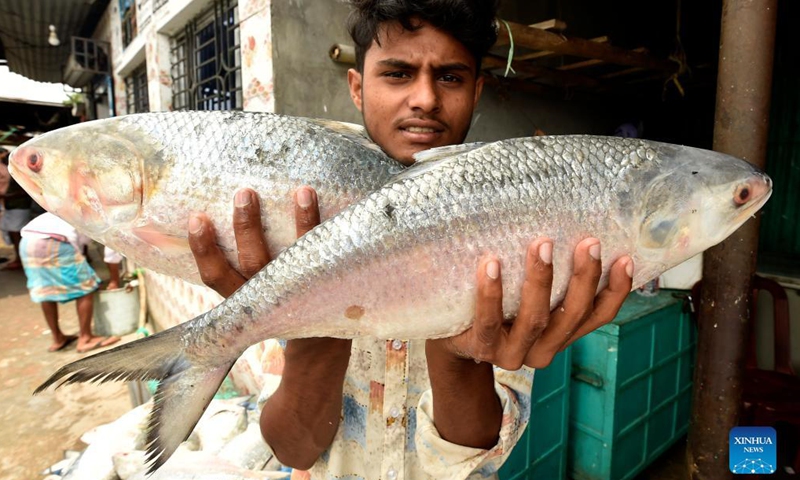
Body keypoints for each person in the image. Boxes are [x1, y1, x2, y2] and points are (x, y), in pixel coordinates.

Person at [188, 1, 634, 479]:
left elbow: (468, 461)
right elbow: (294, 449)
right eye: (398, 74)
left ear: (476, 91)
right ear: (357, 88)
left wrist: (461, 353)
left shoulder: (514, 230)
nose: (424, 97)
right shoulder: (301, 221)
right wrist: (310, 324)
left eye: (449, 77)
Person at [19, 212, 121, 353]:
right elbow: (112, 251)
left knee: (45, 289)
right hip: (56, 241)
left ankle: (58, 338)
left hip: (27, 242)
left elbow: (82, 250)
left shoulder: (74, 208)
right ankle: (86, 339)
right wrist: (115, 280)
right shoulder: (106, 218)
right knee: (87, 287)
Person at [0, 147, 33, 270]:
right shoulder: (12, 170)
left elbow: (26, 191)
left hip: (19, 206)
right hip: (12, 206)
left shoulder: (18, 172)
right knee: (14, 233)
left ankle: (21, 260)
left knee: (16, 234)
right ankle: (20, 259)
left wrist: (7, 196)